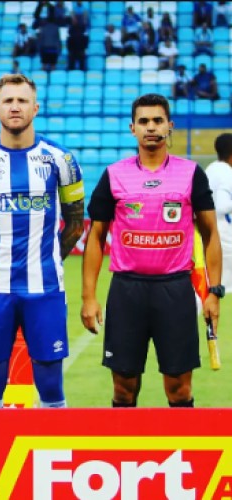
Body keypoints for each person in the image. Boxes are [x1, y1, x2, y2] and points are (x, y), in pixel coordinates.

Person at [81, 93, 222, 408]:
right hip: (126, 291)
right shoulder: (114, 174)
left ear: (170, 126)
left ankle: (181, 441)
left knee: (179, 389)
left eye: (158, 120)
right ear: (133, 128)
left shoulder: (191, 174)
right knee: (123, 389)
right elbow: (96, 236)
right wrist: (88, 297)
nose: (151, 127)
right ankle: (126, 441)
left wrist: (214, 291)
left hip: (175, 290)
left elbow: (210, 234)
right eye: (143, 121)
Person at [0, 73, 85, 409]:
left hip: (45, 286)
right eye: (8, 101)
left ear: (35, 108)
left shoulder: (61, 159)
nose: (15, 107)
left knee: (50, 384)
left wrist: (47, 258)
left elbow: (75, 223)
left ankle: (52, 443)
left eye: (22, 101)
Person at [205, 133, 232, 289]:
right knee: (222, 285)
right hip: (224, 237)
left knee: (211, 281)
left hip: (209, 231)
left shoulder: (212, 168)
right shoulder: (227, 174)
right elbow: (222, 206)